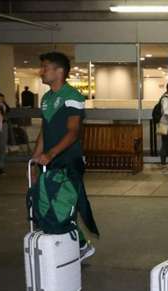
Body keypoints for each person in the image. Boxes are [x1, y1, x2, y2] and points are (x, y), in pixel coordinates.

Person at [32, 51, 99, 259]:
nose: (41, 71)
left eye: (45, 67)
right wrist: (35, 159)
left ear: (59, 71)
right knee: (48, 203)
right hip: (49, 160)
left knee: (65, 204)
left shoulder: (73, 97)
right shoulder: (47, 98)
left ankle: (79, 245)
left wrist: (50, 154)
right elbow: (45, 130)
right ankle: (73, 245)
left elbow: (73, 132)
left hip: (68, 160)